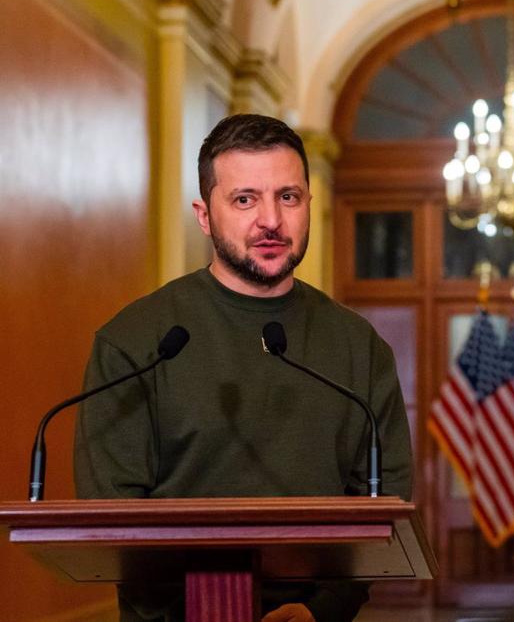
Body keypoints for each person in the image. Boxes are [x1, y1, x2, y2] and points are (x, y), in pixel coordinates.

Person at [74, 114, 413, 622]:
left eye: (288, 197)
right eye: (244, 199)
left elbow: (382, 500)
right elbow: (115, 516)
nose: (271, 220)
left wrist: (319, 610)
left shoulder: (357, 345)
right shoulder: (136, 341)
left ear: (308, 207)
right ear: (204, 215)